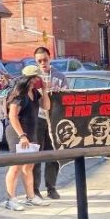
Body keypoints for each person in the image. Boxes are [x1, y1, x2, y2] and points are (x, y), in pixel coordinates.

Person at [3, 67, 50, 211]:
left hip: (31, 132)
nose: (39, 80)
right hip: (18, 133)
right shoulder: (19, 94)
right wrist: (22, 136)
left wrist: (45, 90)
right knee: (16, 167)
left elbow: (46, 106)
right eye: (37, 77)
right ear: (30, 78)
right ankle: (10, 199)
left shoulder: (34, 92)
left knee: (29, 166)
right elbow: (12, 116)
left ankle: (30, 196)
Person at [31, 47, 67, 200]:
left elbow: (67, 97)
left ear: (50, 58)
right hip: (38, 120)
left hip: (54, 120)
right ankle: (35, 189)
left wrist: (58, 91)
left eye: (45, 60)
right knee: (37, 156)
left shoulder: (59, 76)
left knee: (53, 154)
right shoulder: (33, 77)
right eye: (39, 61)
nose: (43, 63)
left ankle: (51, 188)